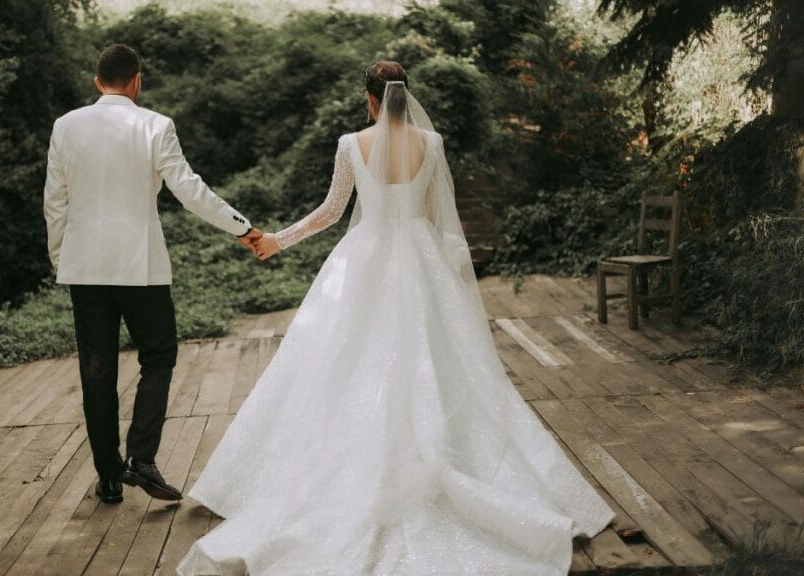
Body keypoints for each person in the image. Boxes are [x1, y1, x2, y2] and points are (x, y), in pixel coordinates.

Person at [177, 61, 616, 575]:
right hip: (420, 258)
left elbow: (331, 211)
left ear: (370, 99)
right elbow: (433, 214)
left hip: (364, 259)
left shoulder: (350, 144)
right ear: (407, 98)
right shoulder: (432, 145)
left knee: (342, 363)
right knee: (435, 361)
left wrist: (277, 239)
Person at [43, 44, 261, 505]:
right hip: (141, 268)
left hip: (86, 269)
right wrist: (241, 228)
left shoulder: (66, 126)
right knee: (158, 358)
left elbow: (54, 202)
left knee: (96, 372)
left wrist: (62, 259)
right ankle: (141, 458)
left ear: (97, 80)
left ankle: (107, 475)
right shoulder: (155, 126)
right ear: (137, 81)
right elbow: (189, 190)